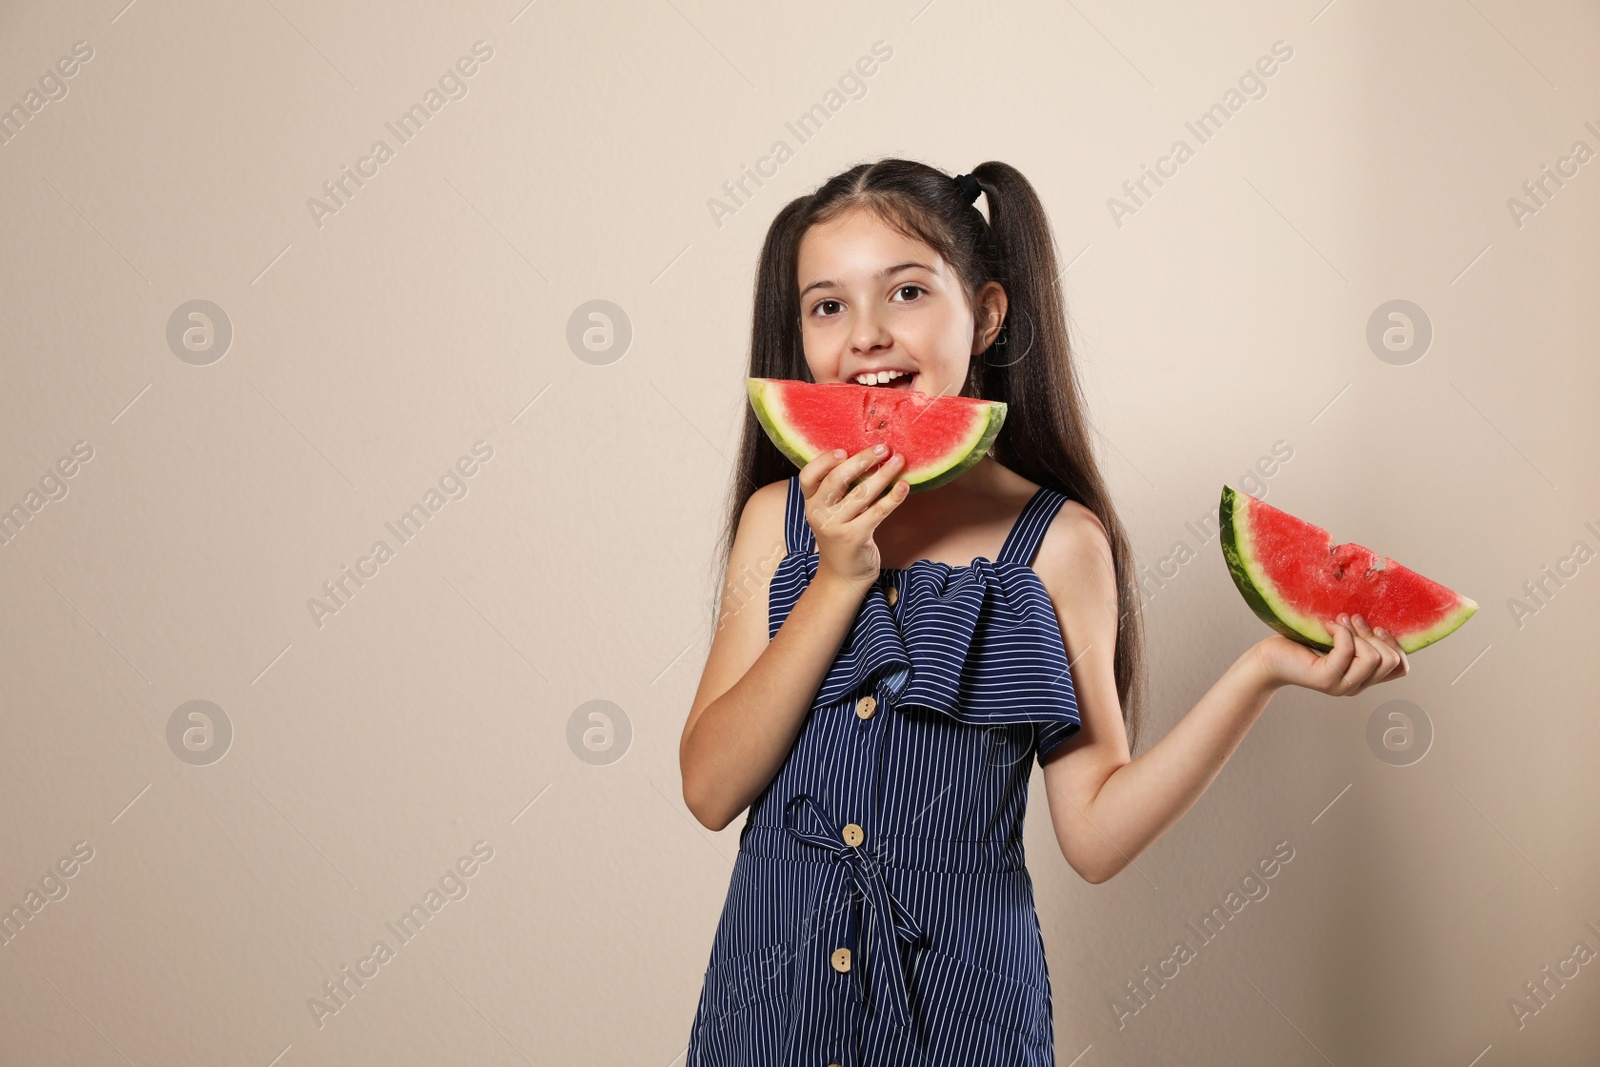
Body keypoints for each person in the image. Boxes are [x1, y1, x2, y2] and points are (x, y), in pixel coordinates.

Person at [677, 159, 1408, 1066]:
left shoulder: (1059, 545)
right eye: (827, 305)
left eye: (906, 291)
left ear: (986, 312)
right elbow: (709, 789)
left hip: (967, 1021)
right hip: (767, 1013)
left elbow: (1095, 835)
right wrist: (835, 578)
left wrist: (1260, 670)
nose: (866, 335)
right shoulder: (775, 524)